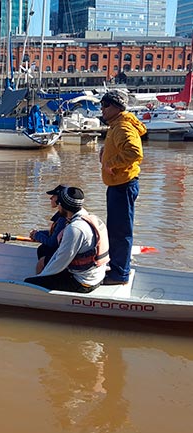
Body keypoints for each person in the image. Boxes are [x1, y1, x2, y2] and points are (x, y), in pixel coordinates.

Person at [99, 89, 146, 285]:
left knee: (121, 231)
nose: (102, 109)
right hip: (118, 184)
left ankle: (120, 274)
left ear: (117, 107)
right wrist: (106, 151)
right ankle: (118, 266)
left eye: (105, 105)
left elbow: (135, 152)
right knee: (116, 228)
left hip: (123, 185)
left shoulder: (122, 127)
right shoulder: (116, 124)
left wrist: (111, 163)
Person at [24, 187, 109, 293]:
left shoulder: (75, 229)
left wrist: (40, 278)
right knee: (43, 250)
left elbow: (60, 262)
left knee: (29, 284)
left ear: (63, 205)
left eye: (59, 203)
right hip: (97, 275)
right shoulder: (93, 219)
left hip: (83, 282)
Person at [29, 184, 68, 273]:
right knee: (42, 248)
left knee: (43, 249)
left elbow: (53, 242)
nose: (51, 198)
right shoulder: (63, 215)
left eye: (53, 196)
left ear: (59, 199)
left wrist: (36, 235)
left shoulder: (62, 219)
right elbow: (55, 233)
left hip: (60, 255)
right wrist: (39, 233)